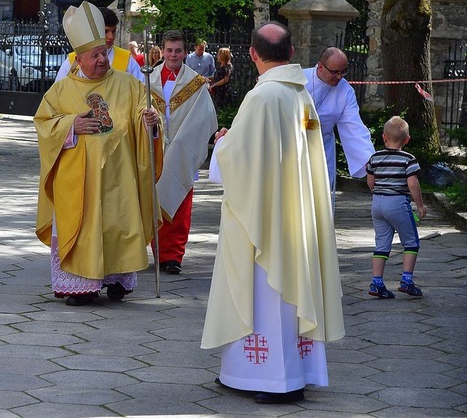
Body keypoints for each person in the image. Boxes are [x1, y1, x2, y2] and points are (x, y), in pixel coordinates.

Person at [201, 21, 344, 404]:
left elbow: (239, 160)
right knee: (286, 297)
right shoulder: (302, 96)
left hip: (263, 220)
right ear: (293, 54)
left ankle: (271, 381)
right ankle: (276, 373)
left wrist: (223, 142)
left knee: (264, 296)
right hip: (295, 218)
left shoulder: (262, 98)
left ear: (252, 54)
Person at [34, 1, 162, 306]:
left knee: (118, 220)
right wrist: (71, 124)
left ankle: (117, 279)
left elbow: (142, 117)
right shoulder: (61, 90)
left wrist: (150, 123)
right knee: (83, 226)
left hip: (120, 173)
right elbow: (43, 125)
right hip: (77, 178)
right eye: (95, 56)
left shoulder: (129, 84)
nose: (103, 60)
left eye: (104, 53)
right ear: (79, 59)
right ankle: (81, 285)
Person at [150, 30, 218, 274]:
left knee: (179, 203)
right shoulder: (149, 80)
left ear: (185, 52)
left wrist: (180, 144)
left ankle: (173, 256)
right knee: (151, 199)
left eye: (178, 50)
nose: (173, 55)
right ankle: (157, 250)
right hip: (154, 147)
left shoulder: (196, 83)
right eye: (169, 50)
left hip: (182, 149)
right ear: (162, 50)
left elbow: (205, 118)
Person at [366, 115, 427, 299]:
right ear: (407, 139)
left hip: (377, 203)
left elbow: (370, 181)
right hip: (398, 203)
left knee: (382, 244)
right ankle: (406, 281)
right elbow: (413, 184)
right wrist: (420, 205)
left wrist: (378, 193)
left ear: (384, 137)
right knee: (411, 242)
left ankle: (377, 283)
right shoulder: (408, 159)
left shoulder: (375, 157)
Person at [303, 47, 374, 201]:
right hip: (295, 146)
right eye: (335, 72)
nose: (340, 77)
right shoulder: (299, 80)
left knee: (320, 196)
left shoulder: (345, 91)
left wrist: (370, 163)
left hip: (322, 146)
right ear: (320, 67)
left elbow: (354, 127)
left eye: (343, 71)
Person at [55, 6, 145, 83]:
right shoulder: (72, 61)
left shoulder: (126, 59)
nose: (111, 36)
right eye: (105, 31)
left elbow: (142, 91)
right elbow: (58, 92)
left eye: (113, 31)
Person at [208, 47, 233, 112]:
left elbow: (225, 79)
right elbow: (218, 77)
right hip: (217, 91)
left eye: (219, 54)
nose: (217, 56)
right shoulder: (220, 65)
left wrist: (214, 85)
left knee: (221, 108)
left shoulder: (228, 66)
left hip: (223, 91)